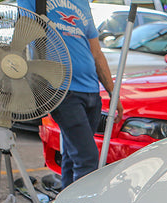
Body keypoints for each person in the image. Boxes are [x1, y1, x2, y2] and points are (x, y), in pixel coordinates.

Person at [18, 0, 123, 188]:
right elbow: (22, 35)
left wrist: (113, 94)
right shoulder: (34, 1)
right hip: (61, 91)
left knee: (71, 156)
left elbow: (97, 53)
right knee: (87, 158)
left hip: (91, 91)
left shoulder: (81, 3)